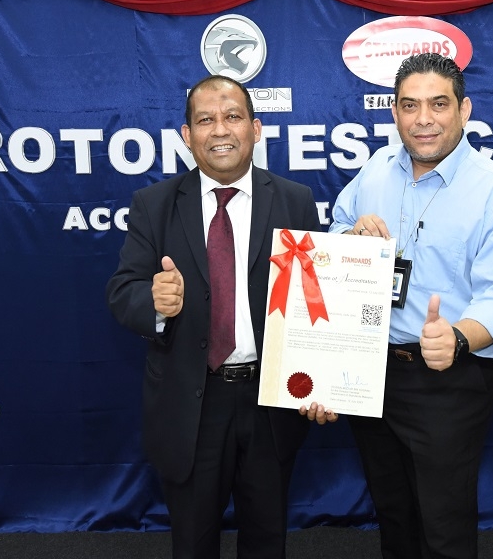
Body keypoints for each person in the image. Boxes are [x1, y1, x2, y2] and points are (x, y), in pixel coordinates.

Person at [106, 75, 335, 559]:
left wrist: (323, 383)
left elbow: (313, 305)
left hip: (270, 402)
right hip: (192, 404)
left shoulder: (294, 200)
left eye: (232, 117)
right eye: (205, 120)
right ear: (187, 136)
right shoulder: (154, 205)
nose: (220, 130)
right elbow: (122, 293)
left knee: (267, 540)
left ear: (255, 128)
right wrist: (155, 303)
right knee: (192, 543)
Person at [327, 52, 493, 558]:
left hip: (450, 376)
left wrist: (460, 337)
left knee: (443, 522)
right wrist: (352, 235)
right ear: (394, 113)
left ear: (464, 110)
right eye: (410, 105)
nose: (424, 119)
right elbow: (334, 233)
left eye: (439, 104)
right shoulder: (376, 169)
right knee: (393, 511)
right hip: (374, 370)